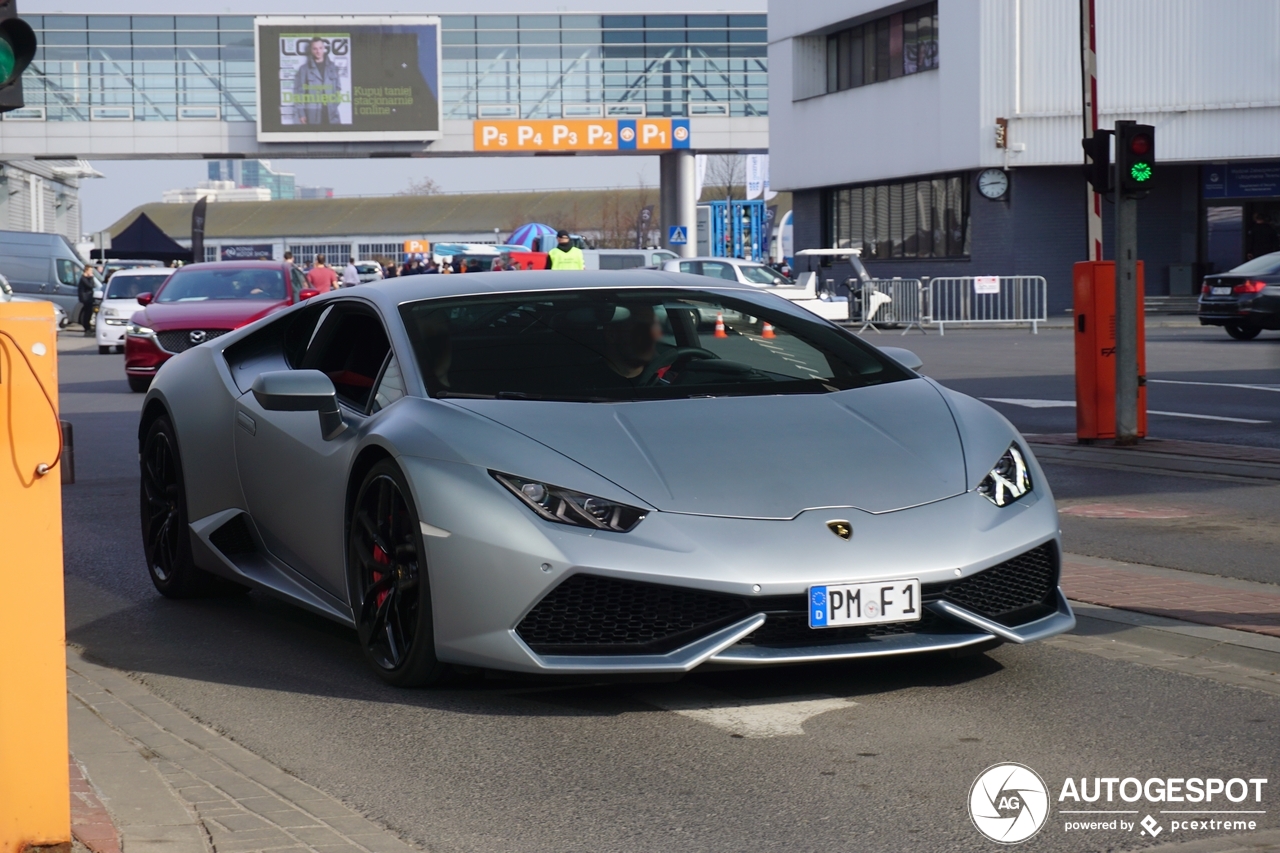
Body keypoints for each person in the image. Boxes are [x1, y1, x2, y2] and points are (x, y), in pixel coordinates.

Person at [292, 37, 343, 126]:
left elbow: (338, 88)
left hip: (332, 115)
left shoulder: (333, 67)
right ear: (311, 50)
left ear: (324, 49)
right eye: (315, 48)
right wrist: (301, 113)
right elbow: (299, 93)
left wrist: (334, 104)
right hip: (313, 115)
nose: (318, 51)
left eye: (320, 48)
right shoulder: (304, 70)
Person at [77, 265, 97, 337]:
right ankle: (87, 329)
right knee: (87, 314)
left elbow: (93, 285)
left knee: (89, 313)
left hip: (89, 298)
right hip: (86, 298)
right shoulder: (83, 278)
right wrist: (91, 277)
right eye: (90, 271)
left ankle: (88, 328)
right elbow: (90, 286)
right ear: (86, 271)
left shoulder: (86, 278)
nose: (91, 272)